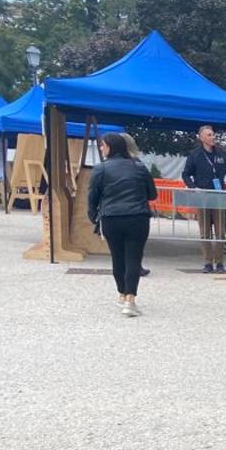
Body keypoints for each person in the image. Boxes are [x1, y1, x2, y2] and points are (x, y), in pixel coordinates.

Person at [88, 132, 157, 318]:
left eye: (102, 145)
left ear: (110, 147)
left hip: (111, 217)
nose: (101, 148)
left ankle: (121, 293)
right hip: (137, 217)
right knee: (134, 258)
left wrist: (93, 217)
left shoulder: (101, 169)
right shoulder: (139, 167)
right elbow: (152, 194)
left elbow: (92, 197)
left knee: (117, 257)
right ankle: (130, 299)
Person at [182, 124, 226, 274]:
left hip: (218, 196)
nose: (213, 137)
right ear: (201, 138)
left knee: (220, 231)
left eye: (213, 134)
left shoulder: (221, 154)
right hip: (203, 197)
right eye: (209, 135)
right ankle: (207, 262)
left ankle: (219, 263)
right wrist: (193, 187)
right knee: (205, 231)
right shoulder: (195, 155)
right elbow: (185, 174)